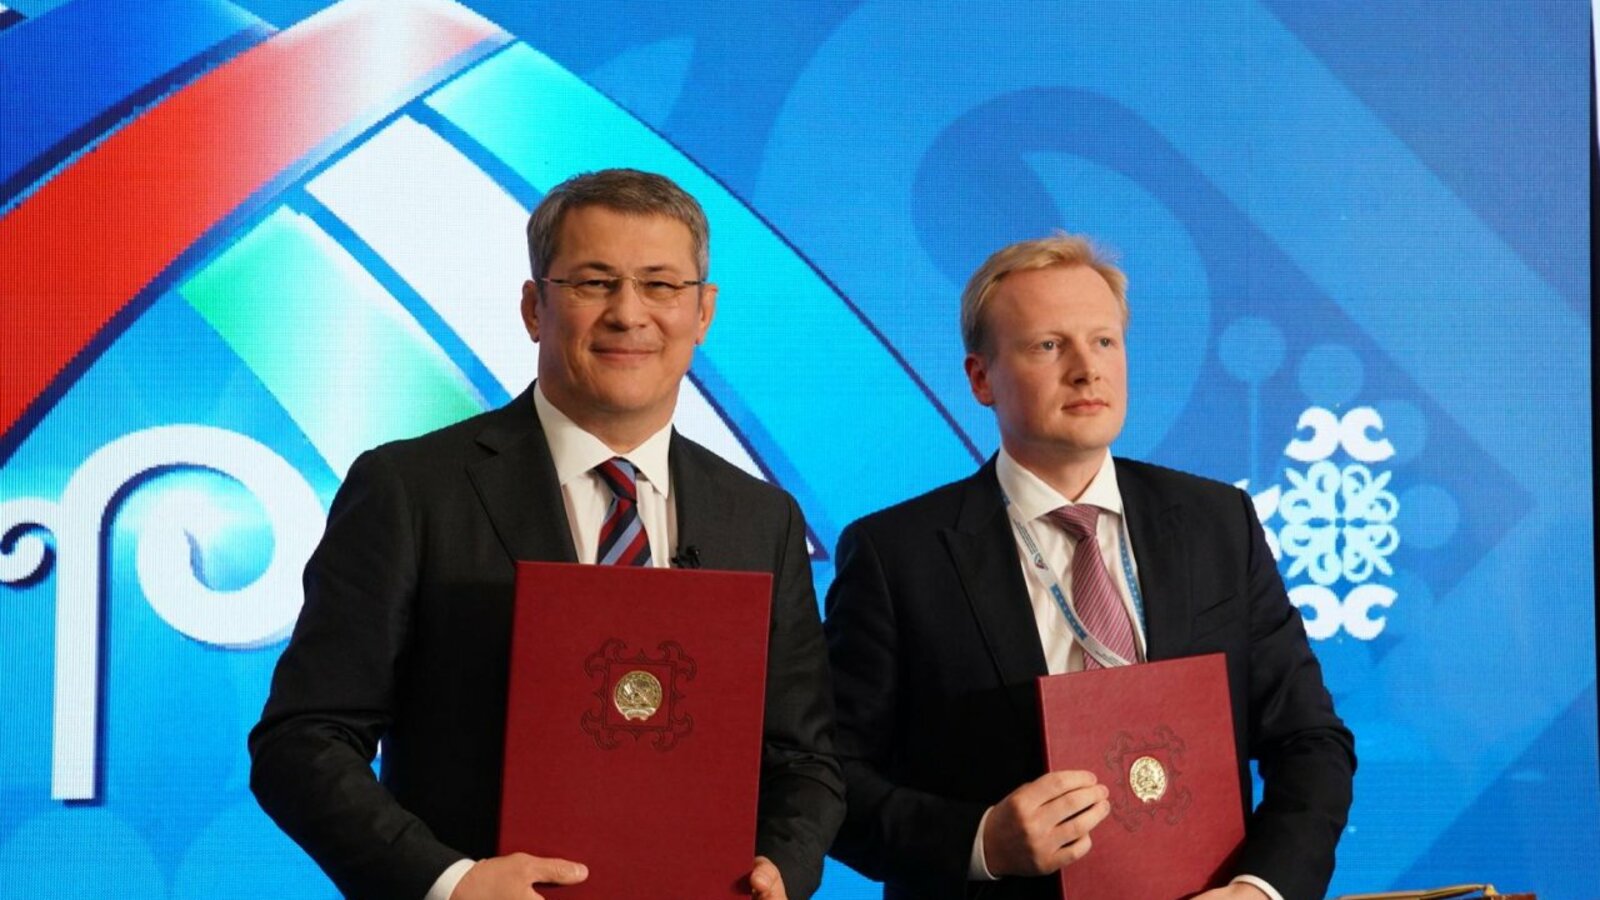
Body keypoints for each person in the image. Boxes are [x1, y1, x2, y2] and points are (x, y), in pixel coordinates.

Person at [250, 169, 844, 900]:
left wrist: (783, 868)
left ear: (703, 313)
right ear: (535, 307)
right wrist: (451, 883)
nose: (629, 314)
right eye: (594, 283)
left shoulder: (761, 518)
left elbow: (805, 760)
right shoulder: (410, 490)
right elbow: (304, 740)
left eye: (661, 286)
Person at [823, 235, 1355, 900]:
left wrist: (1260, 888)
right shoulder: (896, 555)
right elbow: (829, 777)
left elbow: (1309, 740)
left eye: (1104, 341)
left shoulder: (1220, 523)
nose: (1086, 370)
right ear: (981, 379)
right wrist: (980, 841)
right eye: (1049, 345)